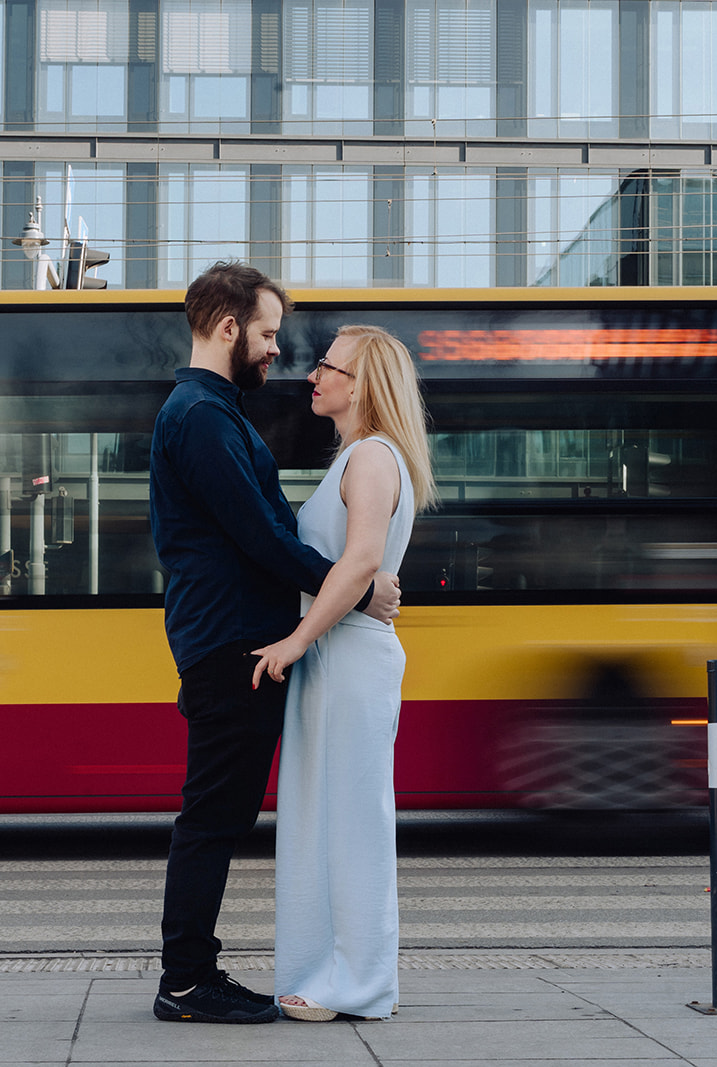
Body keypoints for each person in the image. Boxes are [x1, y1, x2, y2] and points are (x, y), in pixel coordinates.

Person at [149, 263, 403, 1024]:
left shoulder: (212, 412)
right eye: (265, 334)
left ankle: (194, 973)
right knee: (213, 816)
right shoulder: (200, 415)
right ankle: (188, 980)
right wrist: (357, 584)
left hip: (232, 639)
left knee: (218, 814)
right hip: (230, 643)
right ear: (228, 329)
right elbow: (260, 536)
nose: (275, 352)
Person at [251, 324, 437, 1022]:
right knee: (324, 818)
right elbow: (361, 569)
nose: (313, 376)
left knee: (352, 822)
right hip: (341, 654)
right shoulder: (360, 457)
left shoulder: (371, 459)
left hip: (347, 655)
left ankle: (356, 982)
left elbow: (359, 562)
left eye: (328, 366)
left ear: (362, 384)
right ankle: (327, 971)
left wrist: (296, 640)